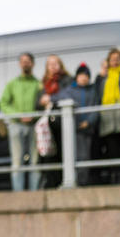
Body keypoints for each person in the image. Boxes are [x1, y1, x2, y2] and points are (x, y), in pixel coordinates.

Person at [51, 63, 98, 186]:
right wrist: (47, 99)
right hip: (71, 130)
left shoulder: (92, 91)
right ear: (76, 77)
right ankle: (73, 181)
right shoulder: (69, 90)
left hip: (86, 130)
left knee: (85, 157)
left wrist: (88, 122)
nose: (83, 78)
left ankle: (82, 182)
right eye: (81, 75)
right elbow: (55, 98)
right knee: (71, 156)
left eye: (86, 76)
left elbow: (96, 108)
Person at [0, 52, 41, 191]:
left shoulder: (38, 84)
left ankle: (34, 192)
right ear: (19, 64)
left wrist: (34, 116)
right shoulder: (12, 84)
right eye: (22, 61)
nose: (25, 63)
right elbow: (4, 103)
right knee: (17, 161)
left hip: (34, 125)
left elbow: (42, 104)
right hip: (16, 125)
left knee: (34, 161)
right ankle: (19, 193)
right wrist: (18, 116)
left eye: (28, 61)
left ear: (33, 63)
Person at [36, 54, 73, 188]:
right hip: (48, 126)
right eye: (49, 64)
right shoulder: (44, 83)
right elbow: (37, 103)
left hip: (63, 124)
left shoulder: (68, 80)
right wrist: (41, 101)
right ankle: (52, 183)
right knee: (50, 155)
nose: (52, 66)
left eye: (55, 63)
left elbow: (69, 94)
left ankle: (66, 181)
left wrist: (51, 98)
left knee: (64, 152)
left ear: (60, 64)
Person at [97, 48, 120, 184]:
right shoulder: (103, 80)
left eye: (117, 59)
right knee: (112, 153)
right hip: (108, 123)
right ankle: (116, 180)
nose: (115, 62)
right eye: (112, 59)